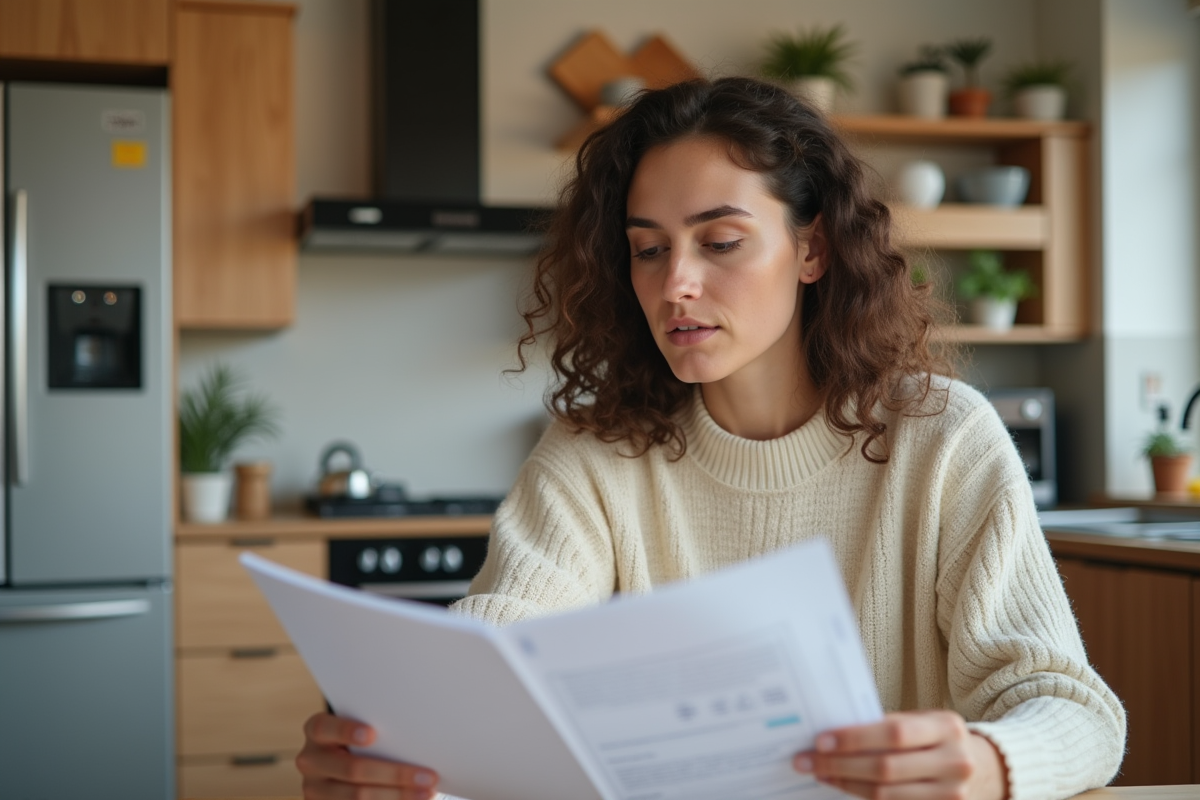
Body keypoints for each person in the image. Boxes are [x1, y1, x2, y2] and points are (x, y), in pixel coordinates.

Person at [296, 76, 1125, 800]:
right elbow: (499, 644)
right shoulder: (595, 455)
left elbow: (1073, 708)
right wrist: (409, 750)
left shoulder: (944, 438)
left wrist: (989, 762)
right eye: (648, 250)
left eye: (720, 242)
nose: (675, 284)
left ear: (811, 248)